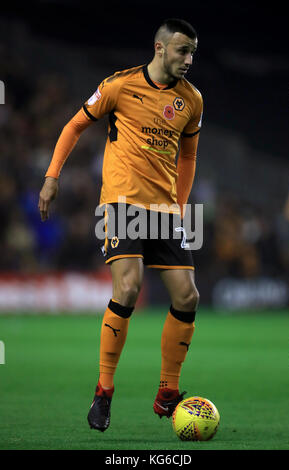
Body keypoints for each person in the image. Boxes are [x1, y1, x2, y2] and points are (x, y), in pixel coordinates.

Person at [38, 18, 203, 432]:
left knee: (187, 297)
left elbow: (188, 158)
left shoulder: (192, 100)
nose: (188, 59)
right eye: (182, 50)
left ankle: (167, 393)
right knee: (128, 287)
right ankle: (104, 391)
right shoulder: (119, 85)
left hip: (165, 212)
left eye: (193, 53)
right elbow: (75, 124)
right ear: (160, 48)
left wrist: (180, 207)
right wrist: (52, 176)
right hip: (121, 204)